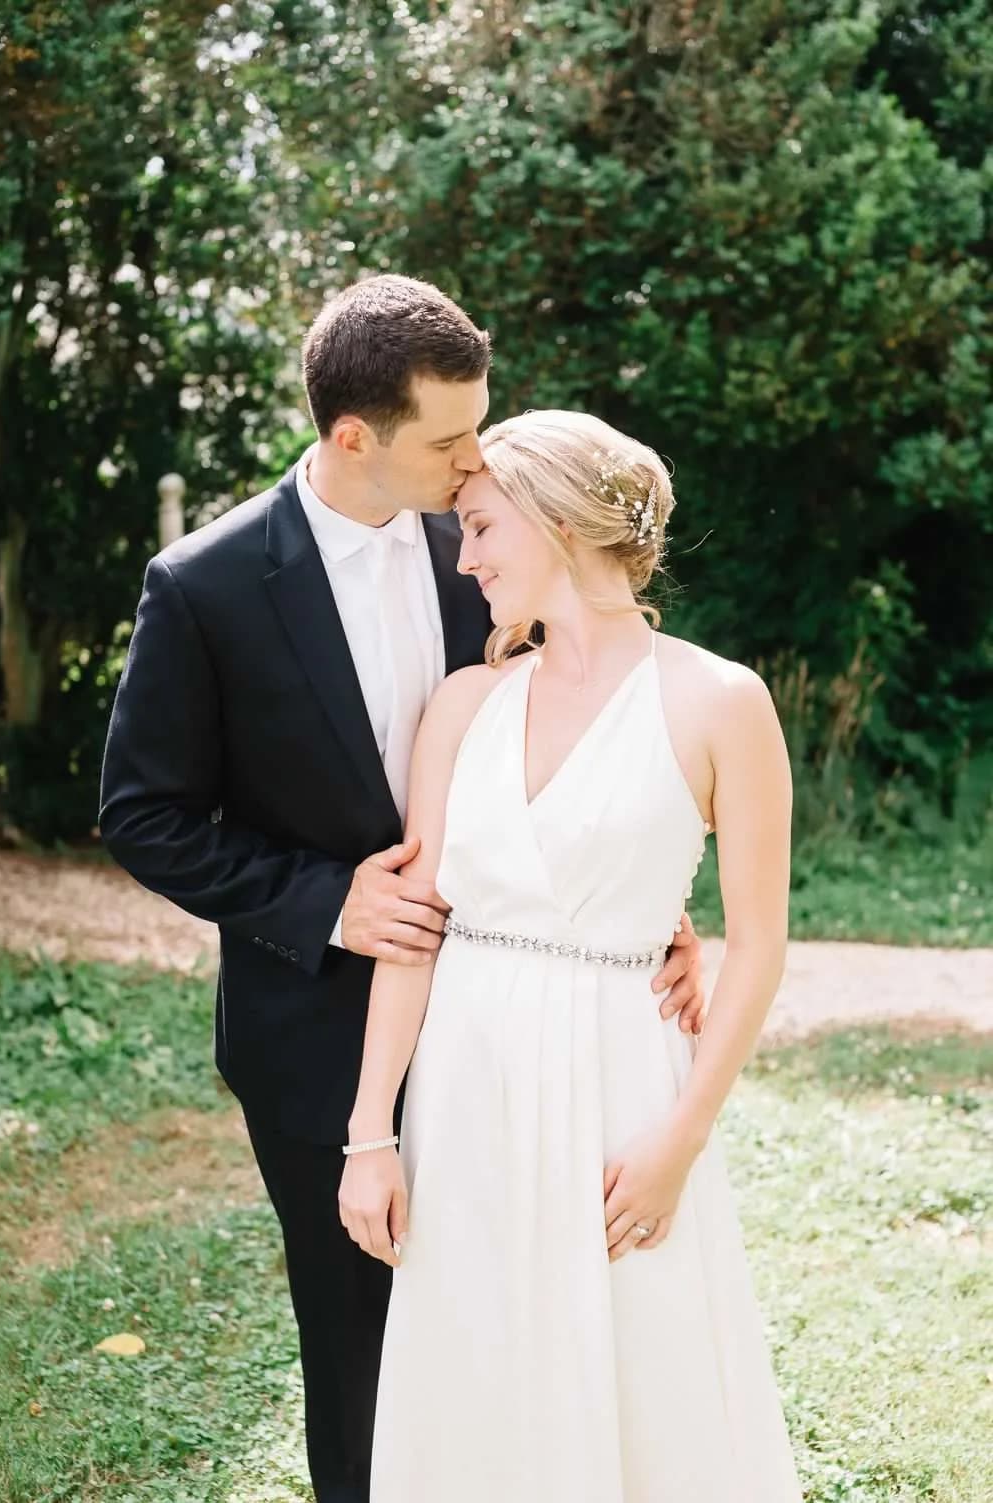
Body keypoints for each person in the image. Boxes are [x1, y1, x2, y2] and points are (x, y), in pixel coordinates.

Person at [98, 275, 705, 1503]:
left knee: (516, 1330)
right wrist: (327, 902)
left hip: (509, 1026)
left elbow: (568, 734)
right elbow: (142, 815)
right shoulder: (205, 586)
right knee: (362, 1354)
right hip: (318, 1031)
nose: (476, 460)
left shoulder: (480, 545)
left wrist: (637, 899)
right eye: (448, 439)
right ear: (352, 436)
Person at [339, 408, 801, 1501]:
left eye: (481, 526)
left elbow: (760, 944)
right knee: (477, 1365)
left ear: (557, 519)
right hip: (466, 1084)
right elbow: (415, 930)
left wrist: (680, 1138)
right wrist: (370, 1134)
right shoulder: (465, 704)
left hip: (623, 1086)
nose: (466, 559)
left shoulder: (720, 701)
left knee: (642, 1360)